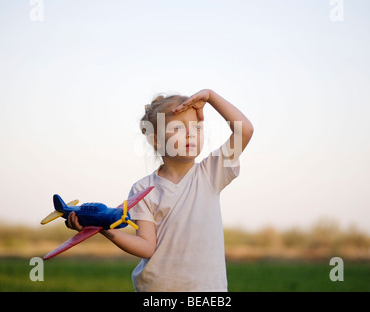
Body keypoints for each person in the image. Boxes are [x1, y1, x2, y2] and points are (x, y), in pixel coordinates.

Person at [67, 89, 253, 291]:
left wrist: (210, 96)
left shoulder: (211, 173)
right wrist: (104, 228)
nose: (191, 133)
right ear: (155, 140)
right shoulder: (143, 189)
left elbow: (245, 131)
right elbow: (146, 247)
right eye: (178, 128)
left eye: (197, 127)